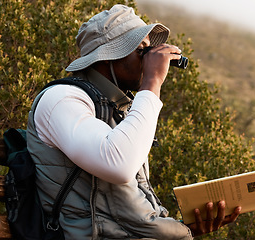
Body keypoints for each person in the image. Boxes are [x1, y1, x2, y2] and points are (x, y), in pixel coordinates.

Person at [27, 4, 241, 239]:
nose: (148, 59)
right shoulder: (62, 99)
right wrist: (152, 83)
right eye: (141, 50)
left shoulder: (115, 109)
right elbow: (118, 166)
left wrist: (187, 228)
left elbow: (127, 212)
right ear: (108, 55)